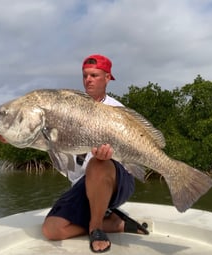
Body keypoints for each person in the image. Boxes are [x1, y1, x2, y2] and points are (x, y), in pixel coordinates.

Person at [42, 54, 148, 253]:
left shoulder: (117, 110)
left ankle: (97, 228)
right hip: (84, 185)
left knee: (98, 163)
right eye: (85, 75)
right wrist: (12, 135)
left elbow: (131, 156)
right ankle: (117, 224)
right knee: (51, 230)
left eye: (94, 75)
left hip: (117, 181)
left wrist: (111, 158)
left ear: (107, 78)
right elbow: (54, 150)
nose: (88, 80)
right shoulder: (69, 110)